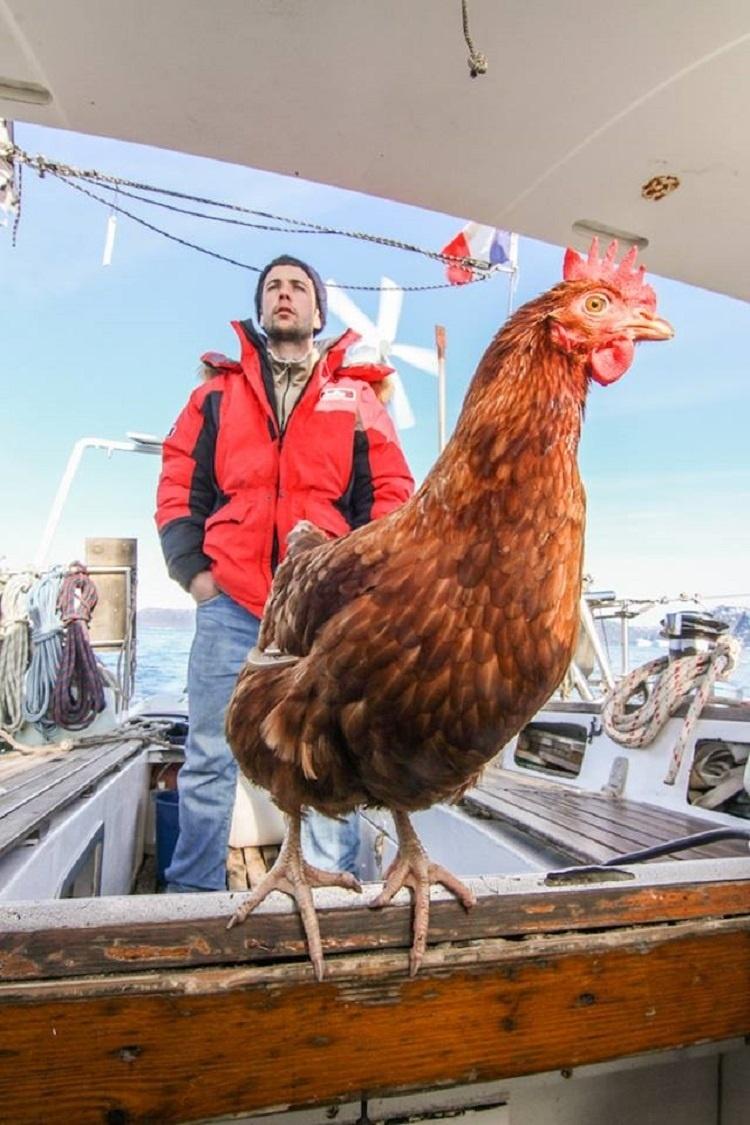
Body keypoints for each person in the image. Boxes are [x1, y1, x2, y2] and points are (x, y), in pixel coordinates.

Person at [155, 254, 414, 892]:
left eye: (298, 287)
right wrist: (195, 573)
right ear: (261, 308)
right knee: (209, 754)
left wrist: (361, 587)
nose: (284, 295)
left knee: (328, 755)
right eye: (273, 287)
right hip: (231, 601)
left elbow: (390, 493)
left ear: (318, 311)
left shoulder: (356, 395)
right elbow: (178, 483)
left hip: (323, 611)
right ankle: (191, 894)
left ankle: (336, 894)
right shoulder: (215, 393)